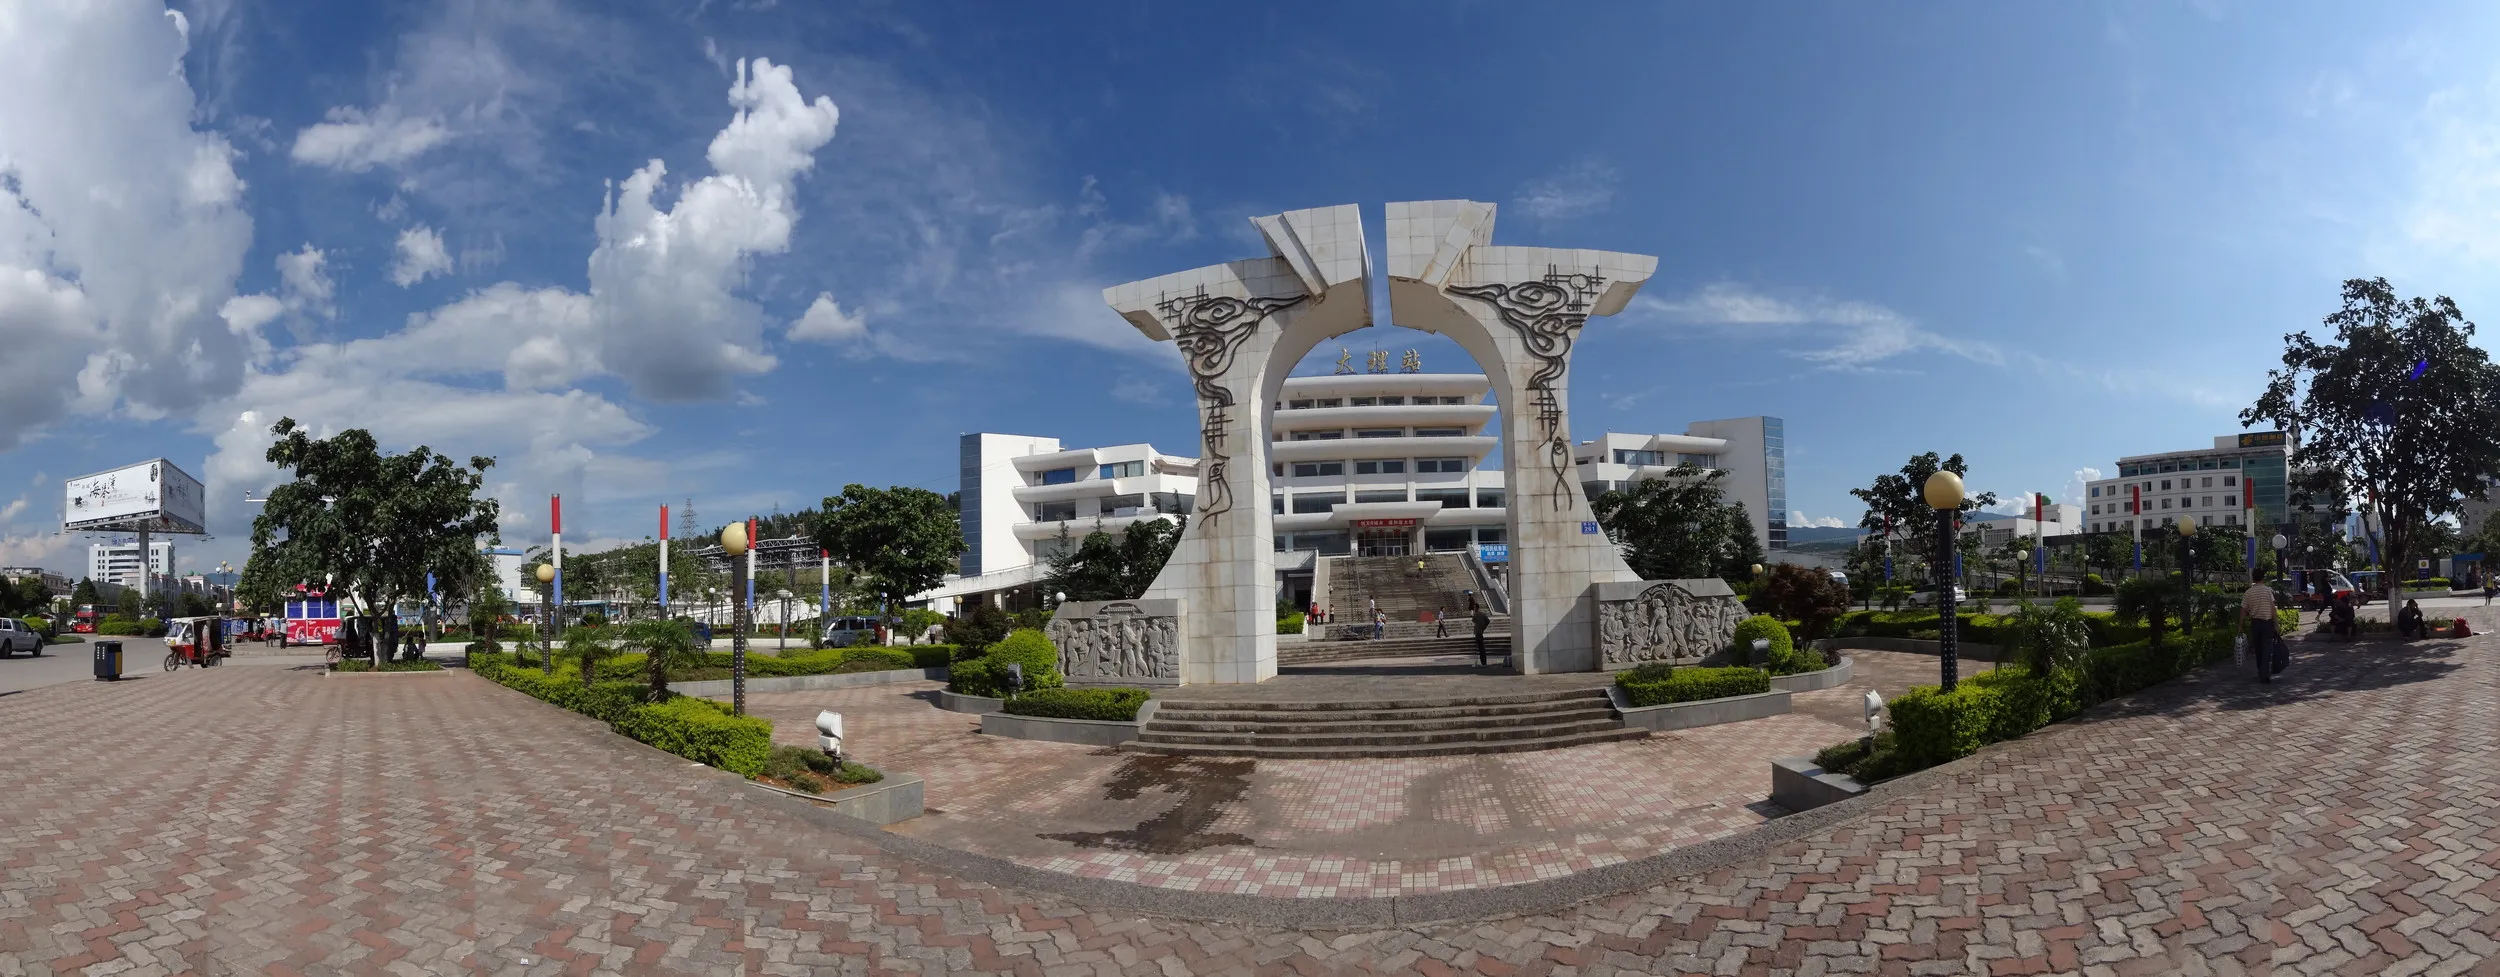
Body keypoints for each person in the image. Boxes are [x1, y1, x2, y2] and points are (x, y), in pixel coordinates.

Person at [2242, 570, 2283, 681]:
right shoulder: (2267, 591)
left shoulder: (2248, 592)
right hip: (2267, 623)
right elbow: (2273, 608)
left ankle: (2261, 670)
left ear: (2253, 578)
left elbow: (2243, 610)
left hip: (2255, 623)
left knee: (2258, 649)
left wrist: (2240, 626)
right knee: (2267, 648)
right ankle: (2264, 673)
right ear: (2263, 578)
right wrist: (2276, 623)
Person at [1472, 602, 1493, 667]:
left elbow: (1473, 620)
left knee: (1479, 648)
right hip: (1480, 632)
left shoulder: (1476, 614)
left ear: (1475, 607)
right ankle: (1483, 662)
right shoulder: (1482, 614)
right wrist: (1484, 627)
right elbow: (1488, 621)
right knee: (1482, 648)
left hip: (1477, 633)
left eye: (1474, 607)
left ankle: (1481, 662)